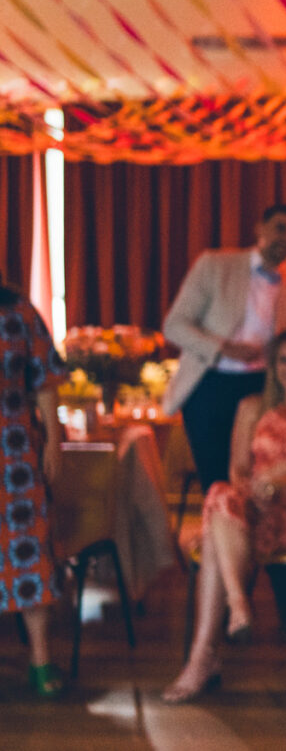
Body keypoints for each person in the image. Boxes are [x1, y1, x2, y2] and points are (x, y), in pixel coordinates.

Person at [162, 203, 286, 640]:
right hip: (210, 390)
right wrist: (221, 347)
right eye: (279, 229)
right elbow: (175, 324)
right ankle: (225, 610)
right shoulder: (216, 265)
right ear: (259, 228)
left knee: (267, 490)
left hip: (261, 397)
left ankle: (280, 612)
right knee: (223, 489)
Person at [162, 331, 286, 703]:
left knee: (216, 521)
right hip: (252, 506)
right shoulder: (252, 406)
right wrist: (252, 488)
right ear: (272, 367)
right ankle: (234, 607)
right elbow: (238, 469)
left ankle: (207, 653)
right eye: (283, 360)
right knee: (221, 494)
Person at [0, 278, 67, 698]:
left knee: (29, 549)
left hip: (16, 450)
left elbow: (44, 380)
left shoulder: (19, 312)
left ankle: (40, 659)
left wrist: (55, 442)